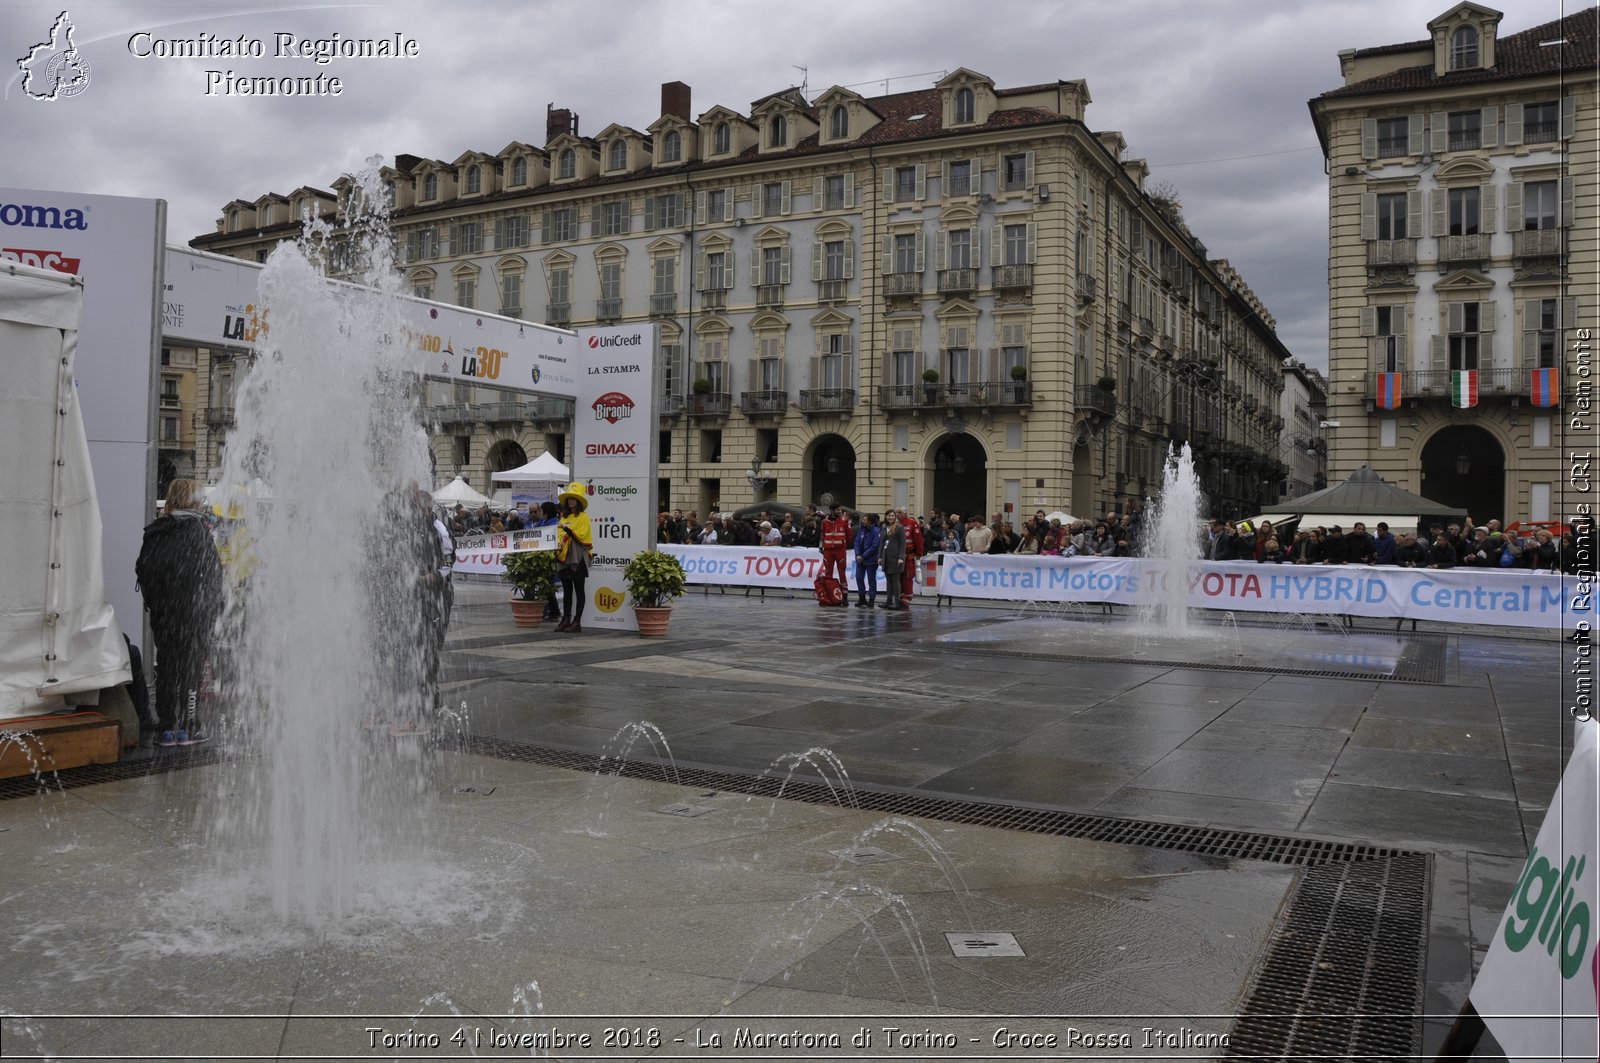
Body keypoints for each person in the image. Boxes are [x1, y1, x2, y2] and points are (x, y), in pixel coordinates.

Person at [136, 478, 224, 748]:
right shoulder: (197, 529)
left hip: (164, 615)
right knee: (191, 670)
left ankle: (166, 729)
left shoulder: (156, 531)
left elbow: (143, 570)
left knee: (166, 669)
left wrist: (156, 604)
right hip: (192, 614)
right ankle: (190, 727)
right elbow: (212, 574)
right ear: (192, 499)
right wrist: (210, 608)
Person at [554, 481, 593, 633]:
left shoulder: (583, 517)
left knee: (579, 589)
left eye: (573, 498)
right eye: (569, 498)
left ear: (578, 501)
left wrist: (567, 529)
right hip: (564, 555)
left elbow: (582, 536)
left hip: (577, 556)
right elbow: (559, 534)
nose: (570, 501)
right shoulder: (564, 517)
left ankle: (577, 621)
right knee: (567, 589)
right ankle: (566, 619)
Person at [852, 512, 882, 607]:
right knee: (859, 577)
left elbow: (874, 546)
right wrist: (857, 554)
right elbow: (856, 542)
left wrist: (863, 556)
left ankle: (871, 599)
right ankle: (862, 597)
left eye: (864, 520)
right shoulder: (861, 530)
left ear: (869, 521)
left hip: (871, 560)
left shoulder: (876, 531)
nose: (862, 521)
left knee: (871, 579)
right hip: (860, 560)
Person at [819, 504, 851, 593]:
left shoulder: (845, 521)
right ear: (832, 511)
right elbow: (823, 535)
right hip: (828, 551)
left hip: (840, 551)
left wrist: (842, 545)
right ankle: (829, 594)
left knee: (842, 573)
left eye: (840, 510)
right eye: (837, 510)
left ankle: (844, 595)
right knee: (828, 573)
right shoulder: (825, 522)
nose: (839, 511)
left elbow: (849, 536)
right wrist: (822, 546)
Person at [897, 507, 924, 609]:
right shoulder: (896, 524)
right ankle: (898, 597)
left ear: (905, 513)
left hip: (909, 556)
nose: (897, 514)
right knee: (898, 577)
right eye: (896, 513)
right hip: (898, 556)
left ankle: (906, 599)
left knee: (907, 577)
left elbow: (918, 539)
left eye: (899, 512)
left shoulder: (912, 523)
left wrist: (919, 554)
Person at [880, 511, 907, 609]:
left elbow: (903, 544)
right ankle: (888, 601)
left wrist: (901, 557)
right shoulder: (884, 528)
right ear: (886, 517)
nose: (890, 517)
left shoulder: (899, 528)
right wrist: (879, 556)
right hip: (886, 557)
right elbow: (882, 543)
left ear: (895, 517)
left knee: (896, 580)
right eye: (889, 515)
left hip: (896, 558)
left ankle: (897, 602)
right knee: (888, 580)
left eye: (892, 516)